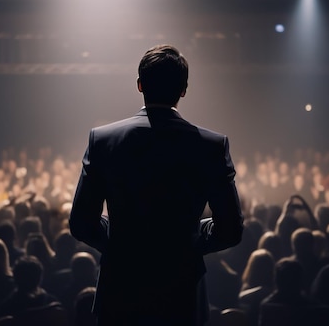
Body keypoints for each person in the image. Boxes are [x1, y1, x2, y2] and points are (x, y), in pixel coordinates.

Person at [69, 44, 244, 326]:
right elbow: (231, 229)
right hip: (181, 295)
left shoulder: (103, 140)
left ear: (139, 85)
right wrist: (188, 238)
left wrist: (120, 240)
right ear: (184, 89)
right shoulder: (211, 146)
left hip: (121, 292)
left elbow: (81, 223)